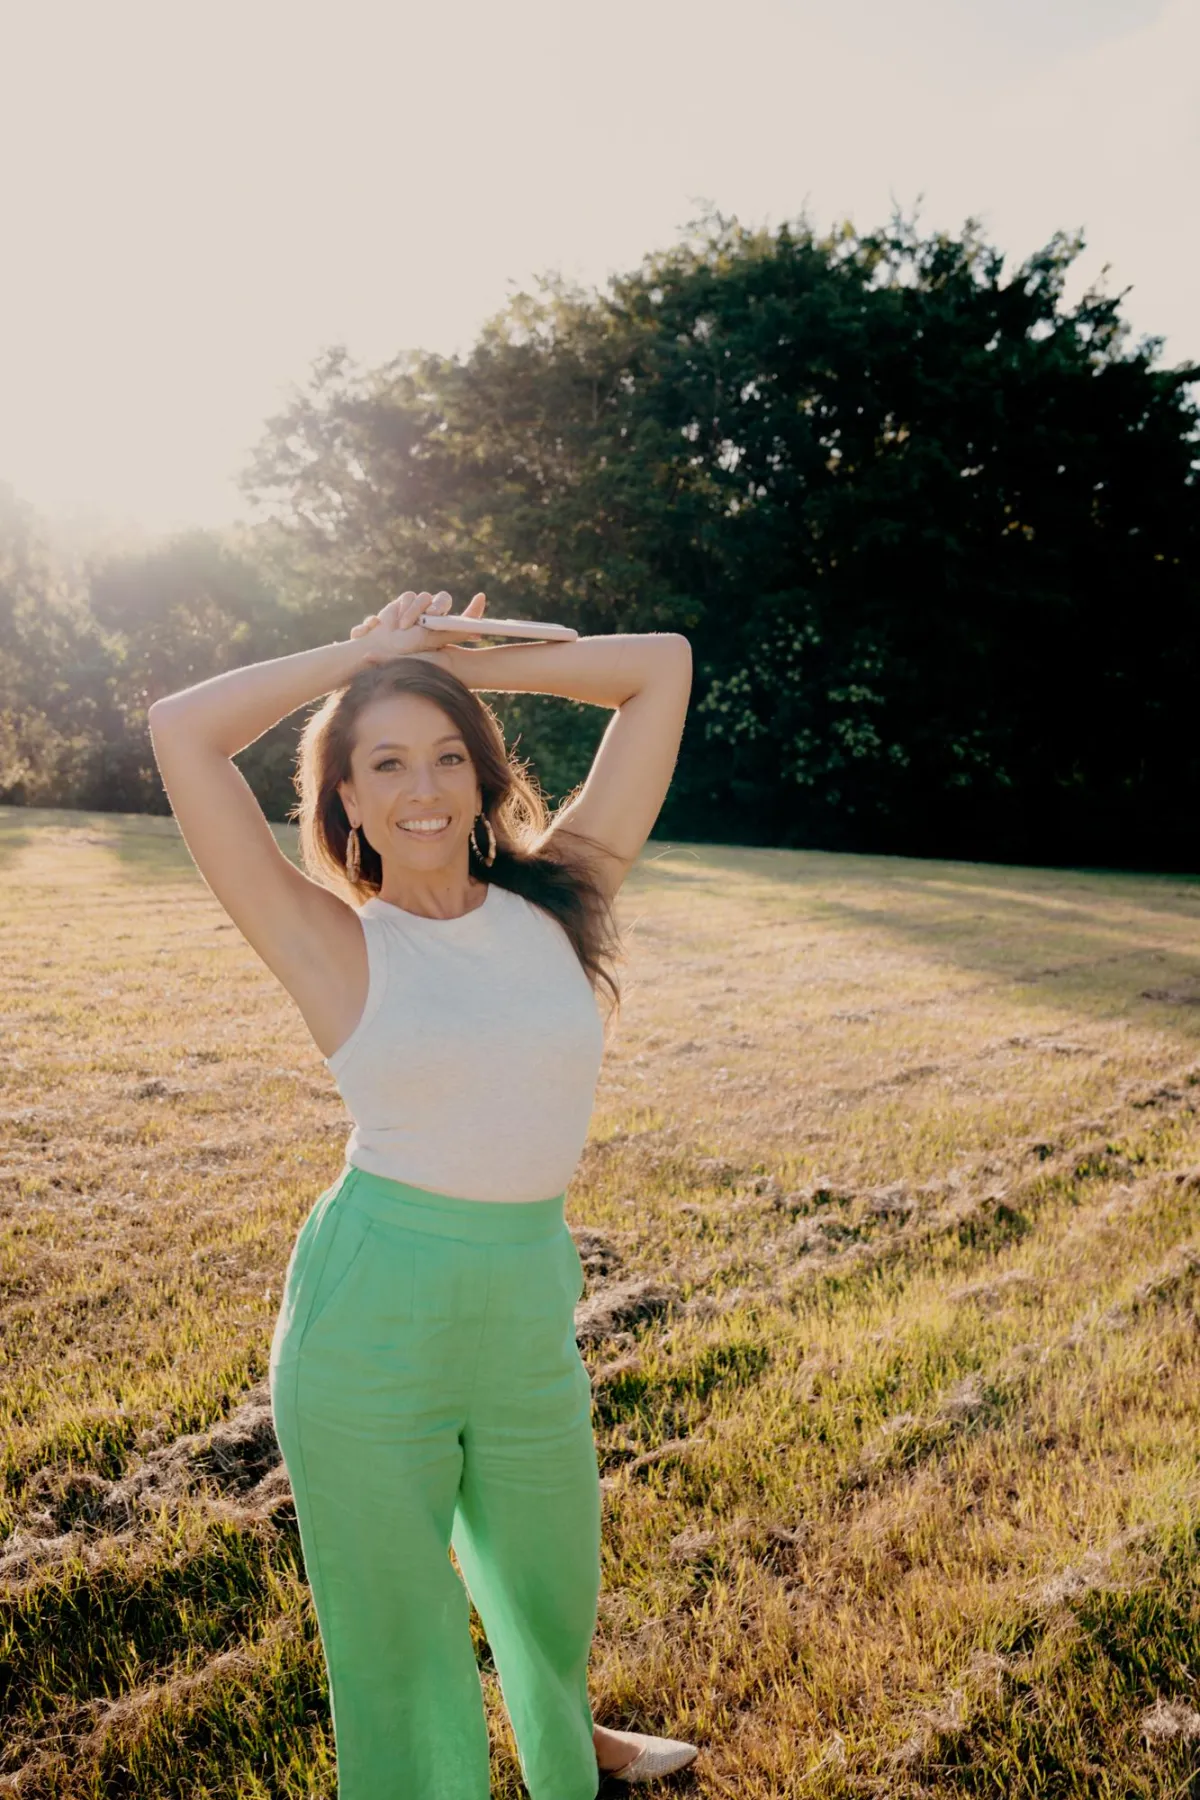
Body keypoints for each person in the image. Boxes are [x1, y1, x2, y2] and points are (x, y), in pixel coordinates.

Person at [147, 587, 698, 1799]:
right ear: (344, 799)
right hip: (372, 1310)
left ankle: (571, 1745)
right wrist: (367, 656)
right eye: (386, 763)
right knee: (396, 1628)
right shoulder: (333, 941)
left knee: (550, 1575)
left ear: (484, 774)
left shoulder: (562, 896)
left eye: (449, 755)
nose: (425, 788)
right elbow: (183, 730)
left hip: (525, 1295)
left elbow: (661, 665)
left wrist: (454, 662)